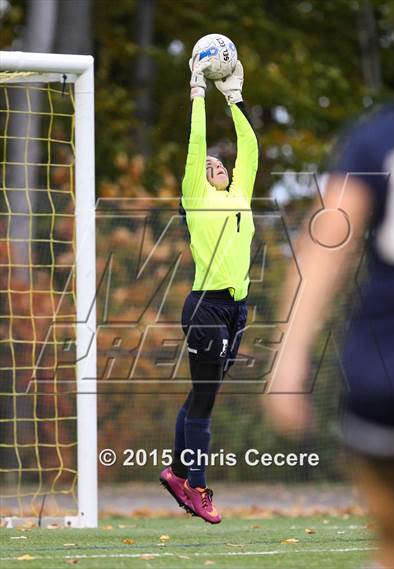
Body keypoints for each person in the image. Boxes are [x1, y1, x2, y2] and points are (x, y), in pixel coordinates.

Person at [264, 9, 394, 568]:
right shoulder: (378, 141)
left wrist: (288, 362)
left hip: (377, 373)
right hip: (389, 364)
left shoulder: (375, 139)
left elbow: (323, 250)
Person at [160, 55, 258, 524]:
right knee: (204, 399)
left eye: (221, 163)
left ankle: (179, 474)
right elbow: (197, 142)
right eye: (209, 164)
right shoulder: (196, 196)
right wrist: (198, 93)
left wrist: (234, 100)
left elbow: (251, 149)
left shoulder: (240, 193)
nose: (216, 164)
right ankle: (195, 486)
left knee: (202, 395)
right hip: (205, 308)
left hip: (237, 310)